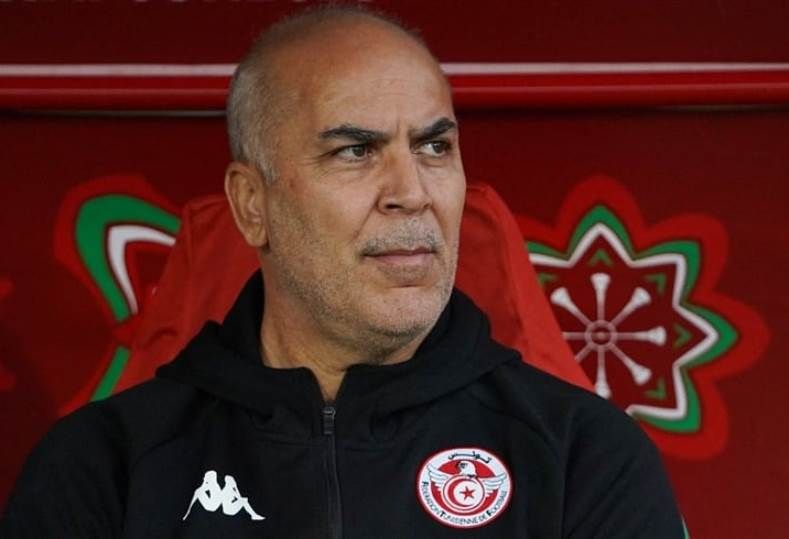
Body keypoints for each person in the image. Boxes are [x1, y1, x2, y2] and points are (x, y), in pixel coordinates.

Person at [1, 5, 685, 538]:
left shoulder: (582, 456)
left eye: (434, 146)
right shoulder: (105, 467)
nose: (411, 192)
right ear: (252, 204)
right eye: (355, 151)